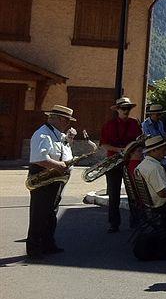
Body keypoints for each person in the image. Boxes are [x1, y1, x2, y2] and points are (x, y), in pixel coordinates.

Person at [26, 105, 93, 259]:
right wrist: (59, 165)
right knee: (39, 214)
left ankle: (48, 244)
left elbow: (62, 151)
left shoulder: (57, 134)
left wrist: (68, 141)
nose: (67, 124)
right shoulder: (43, 134)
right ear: (58, 119)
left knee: (51, 213)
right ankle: (34, 249)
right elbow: (40, 158)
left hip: (55, 178)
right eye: (66, 120)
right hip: (44, 177)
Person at [100, 97, 142, 233]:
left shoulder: (135, 123)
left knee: (133, 192)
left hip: (130, 161)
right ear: (117, 109)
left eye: (128, 108)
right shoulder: (109, 125)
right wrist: (119, 150)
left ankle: (135, 222)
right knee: (114, 194)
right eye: (123, 108)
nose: (126, 111)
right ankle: (114, 224)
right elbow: (103, 144)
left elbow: (139, 141)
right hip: (113, 162)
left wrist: (134, 150)